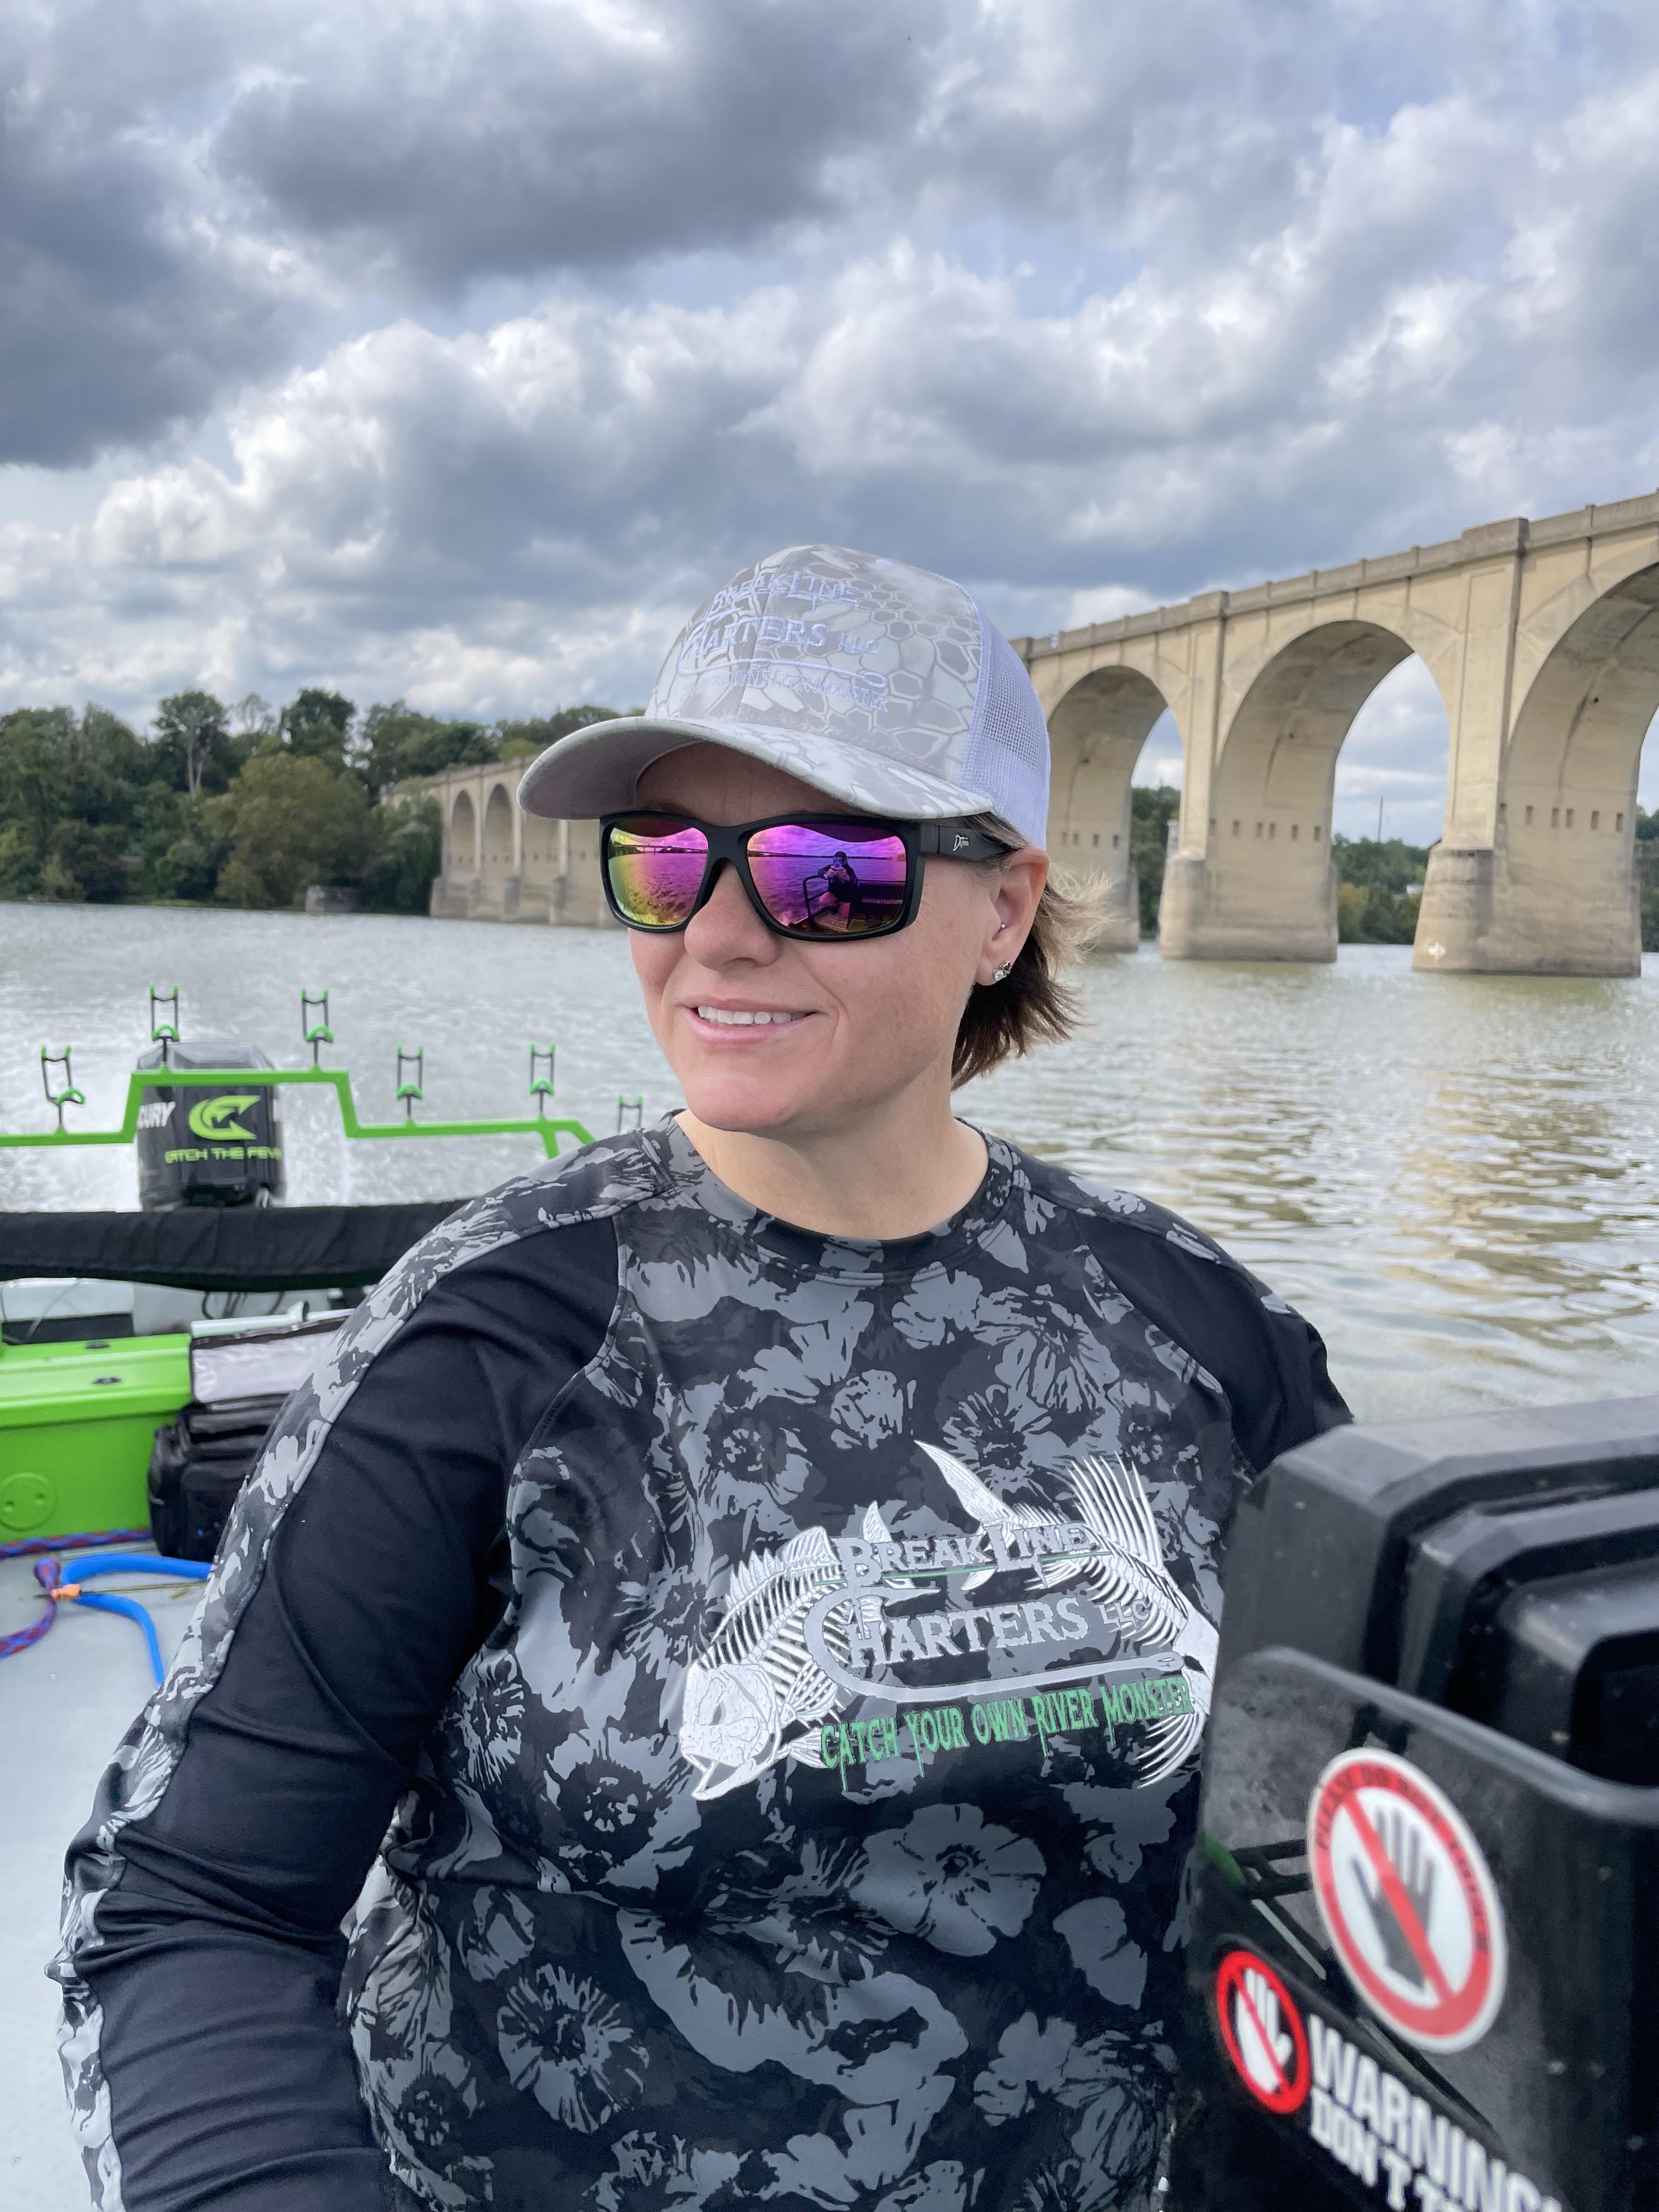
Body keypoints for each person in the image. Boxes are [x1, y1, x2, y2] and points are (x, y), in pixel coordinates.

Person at [54, 544, 1348, 2212]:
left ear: (1005, 908)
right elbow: (192, 1904)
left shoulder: (1198, 1329)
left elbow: (1374, 1834)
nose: (721, 932)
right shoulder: (490, 1339)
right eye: (667, 861)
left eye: (827, 868)